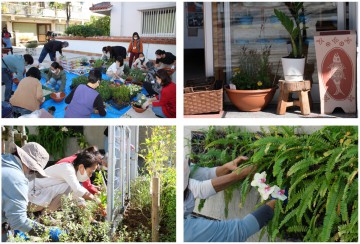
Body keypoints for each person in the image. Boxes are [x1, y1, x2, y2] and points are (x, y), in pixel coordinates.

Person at [184, 157, 277, 242]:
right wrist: (278, 198)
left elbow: (197, 175)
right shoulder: (187, 232)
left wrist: (226, 168)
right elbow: (239, 231)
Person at [2, 142, 63, 241]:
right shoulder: (17, 179)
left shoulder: (4, 161)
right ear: (31, 167)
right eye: (35, 173)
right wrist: (47, 231)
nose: (33, 177)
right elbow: (19, 221)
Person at [27, 150, 105, 215]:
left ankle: (43, 216)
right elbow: (78, 190)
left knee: (69, 190)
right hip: (30, 199)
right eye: (91, 172)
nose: (91, 176)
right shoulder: (67, 169)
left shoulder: (72, 174)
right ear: (81, 167)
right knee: (68, 188)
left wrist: (88, 215)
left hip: (36, 198)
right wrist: (98, 202)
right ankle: (43, 216)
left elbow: (78, 197)